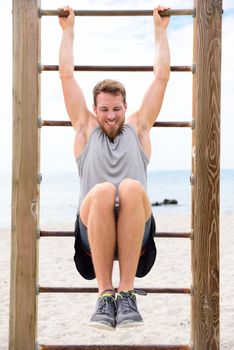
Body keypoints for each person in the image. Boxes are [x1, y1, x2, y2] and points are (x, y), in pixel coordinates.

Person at [58, 5, 170, 331]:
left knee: (131, 187)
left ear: (126, 107)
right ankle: (105, 296)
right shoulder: (84, 130)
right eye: (104, 109)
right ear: (94, 108)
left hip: (139, 236)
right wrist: (68, 31)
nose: (111, 115)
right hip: (92, 238)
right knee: (105, 190)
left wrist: (160, 31)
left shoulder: (140, 129)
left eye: (117, 109)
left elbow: (161, 77)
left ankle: (126, 293)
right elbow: (66, 75)